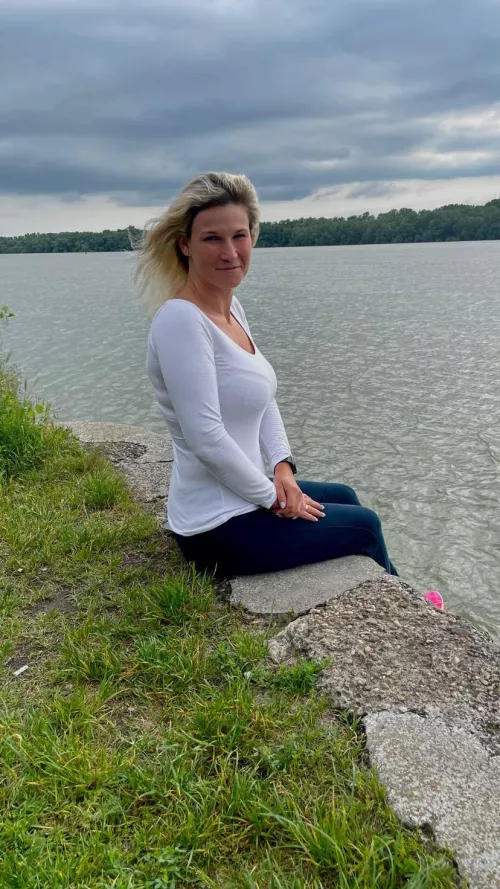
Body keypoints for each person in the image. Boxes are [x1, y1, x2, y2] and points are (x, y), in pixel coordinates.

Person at [137, 171, 399, 580]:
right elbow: (206, 439)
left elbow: (263, 398)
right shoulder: (181, 321)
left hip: (248, 496)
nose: (230, 252)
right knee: (364, 526)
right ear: (185, 244)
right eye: (212, 238)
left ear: (252, 237)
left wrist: (282, 467)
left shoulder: (231, 311)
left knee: (345, 496)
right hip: (215, 525)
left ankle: (405, 594)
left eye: (239, 236)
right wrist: (275, 500)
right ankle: (418, 604)